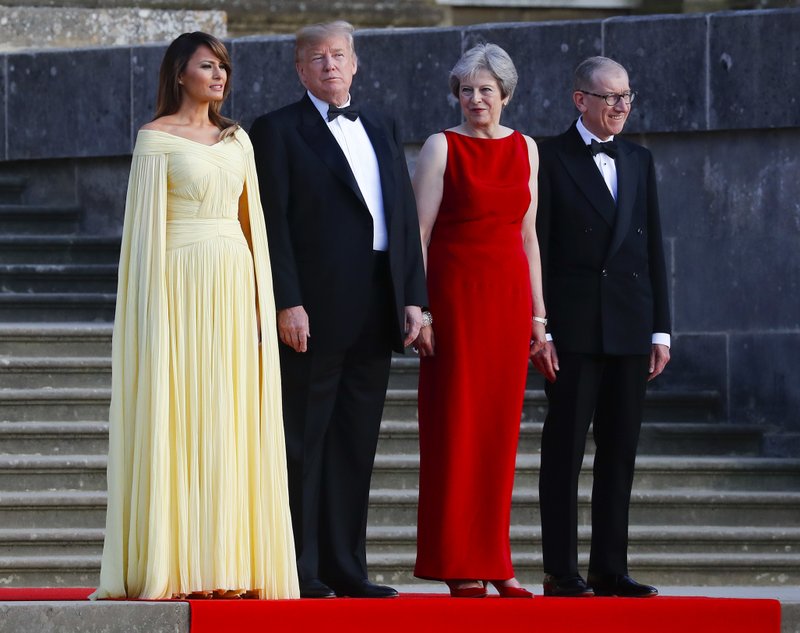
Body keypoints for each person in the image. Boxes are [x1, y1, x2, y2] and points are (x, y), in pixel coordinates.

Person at [91, 32, 299, 600]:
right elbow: (142, 237)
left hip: (233, 284)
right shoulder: (154, 140)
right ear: (180, 73)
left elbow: (254, 225)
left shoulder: (238, 141)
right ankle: (179, 566)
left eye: (224, 67)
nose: (219, 76)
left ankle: (229, 567)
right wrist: (148, 313)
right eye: (207, 66)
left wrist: (265, 302)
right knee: (181, 417)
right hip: (178, 286)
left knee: (229, 419)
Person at [249, 21, 427, 599]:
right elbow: (272, 223)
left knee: (356, 442)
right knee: (304, 441)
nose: (330, 65)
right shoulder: (276, 130)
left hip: (377, 304)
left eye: (339, 56)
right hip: (313, 310)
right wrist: (286, 301)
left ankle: (348, 568)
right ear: (299, 69)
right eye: (317, 58)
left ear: (356, 64)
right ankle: (300, 570)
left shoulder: (380, 123)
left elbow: (401, 216)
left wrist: (414, 297)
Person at [412, 43, 547, 598]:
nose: (474, 100)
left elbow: (529, 236)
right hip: (456, 302)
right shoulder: (441, 147)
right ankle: (457, 562)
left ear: (506, 95)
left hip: (509, 305)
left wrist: (540, 316)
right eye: (465, 90)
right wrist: (419, 309)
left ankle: (497, 562)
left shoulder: (527, 149)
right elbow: (418, 235)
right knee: (456, 431)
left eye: (485, 90)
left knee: (498, 436)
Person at [532, 56, 670, 598]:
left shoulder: (640, 159)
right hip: (573, 329)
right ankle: (560, 570)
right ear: (579, 100)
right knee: (564, 452)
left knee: (620, 451)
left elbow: (653, 246)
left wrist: (661, 329)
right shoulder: (546, 156)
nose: (620, 106)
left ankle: (611, 568)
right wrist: (539, 327)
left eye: (626, 96)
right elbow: (535, 245)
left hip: (632, 326)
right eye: (609, 97)